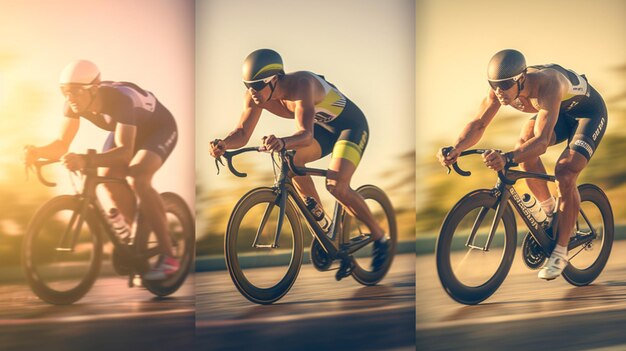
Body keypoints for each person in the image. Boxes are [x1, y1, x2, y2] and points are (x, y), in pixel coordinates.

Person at [209, 49, 389, 281]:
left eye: (256, 85)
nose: (252, 92)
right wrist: (223, 143)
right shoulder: (256, 97)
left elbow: (304, 134)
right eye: (247, 86)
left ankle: (380, 237)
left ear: (274, 80)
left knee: (336, 185)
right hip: (322, 132)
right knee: (291, 161)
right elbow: (242, 133)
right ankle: (323, 221)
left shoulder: (302, 84)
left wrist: (282, 141)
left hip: (350, 128)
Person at [437, 49, 607, 280]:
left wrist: (507, 158)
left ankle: (560, 252)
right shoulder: (499, 91)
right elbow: (478, 123)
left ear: (521, 79)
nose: (499, 91)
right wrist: (456, 148)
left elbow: (542, 142)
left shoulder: (549, 84)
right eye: (494, 84)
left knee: (565, 173)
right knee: (522, 146)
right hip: (559, 113)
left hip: (588, 115)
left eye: (505, 85)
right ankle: (549, 212)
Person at [24, 60, 180, 280]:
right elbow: (61, 144)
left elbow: (125, 153)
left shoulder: (120, 100)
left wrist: (85, 160)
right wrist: (36, 151)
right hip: (126, 129)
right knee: (107, 178)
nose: (70, 98)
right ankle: (138, 240)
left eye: (76, 91)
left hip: (158, 128)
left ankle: (169, 256)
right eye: (65, 92)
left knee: (137, 177)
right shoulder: (73, 103)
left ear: (93, 88)